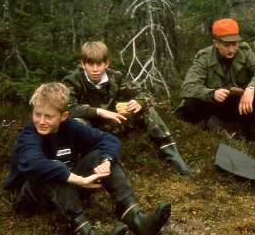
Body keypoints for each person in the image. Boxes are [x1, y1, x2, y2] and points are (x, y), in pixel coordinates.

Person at [3, 83, 172, 235]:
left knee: (101, 155)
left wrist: (106, 162)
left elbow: (109, 140)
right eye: (37, 114)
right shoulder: (28, 136)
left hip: (63, 190)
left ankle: (136, 218)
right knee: (55, 167)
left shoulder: (70, 127)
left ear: (64, 116)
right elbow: (36, 164)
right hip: (28, 198)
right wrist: (81, 180)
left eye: (48, 116)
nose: (41, 121)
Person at [62, 41, 193, 175]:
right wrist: (99, 112)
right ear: (83, 63)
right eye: (90, 64)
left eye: (99, 64)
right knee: (77, 122)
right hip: (90, 130)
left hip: (113, 124)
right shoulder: (72, 81)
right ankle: (84, 163)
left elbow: (144, 93)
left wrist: (139, 102)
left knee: (148, 110)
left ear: (106, 63)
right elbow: (67, 108)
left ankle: (173, 157)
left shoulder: (115, 77)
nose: (95, 69)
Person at [177, 18, 255, 155]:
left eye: (234, 44)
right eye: (226, 45)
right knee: (190, 106)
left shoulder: (244, 52)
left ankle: (254, 140)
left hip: (242, 106)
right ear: (215, 43)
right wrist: (211, 93)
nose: (231, 49)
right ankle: (224, 136)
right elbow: (188, 87)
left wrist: (251, 88)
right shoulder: (204, 58)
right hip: (217, 106)